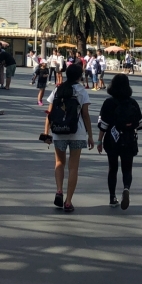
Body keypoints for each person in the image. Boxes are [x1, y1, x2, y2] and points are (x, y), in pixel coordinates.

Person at [42, 63, 93, 213]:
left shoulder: (58, 89)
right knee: (73, 167)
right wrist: (90, 135)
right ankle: (68, 201)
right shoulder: (82, 91)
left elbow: (49, 113)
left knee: (59, 162)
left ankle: (59, 190)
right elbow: (85, 115)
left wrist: (46, 133)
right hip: (77, 132)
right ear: (79, 76)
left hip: (58, 131)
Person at [97, 74, 142, 210]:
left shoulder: (108, 103)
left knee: (112, 168)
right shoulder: (132, 103)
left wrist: (99, 141)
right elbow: (140, 124)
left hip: (112, 140)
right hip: (128, 139)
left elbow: (103, 125)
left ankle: (112, 197)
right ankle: (126, 188)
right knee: (127, 168)